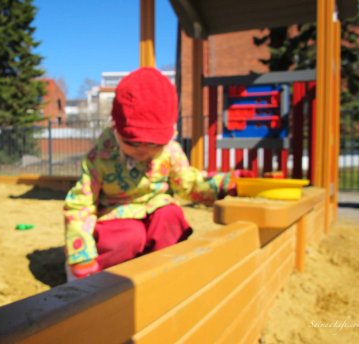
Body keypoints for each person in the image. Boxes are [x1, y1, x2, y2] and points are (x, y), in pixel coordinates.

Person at [63, 67, 248, 280]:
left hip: (155, 213)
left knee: (170, 214)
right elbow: (80, 205)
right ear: (116, 129)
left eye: (153, 144)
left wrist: (224, 183)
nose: (143, 151)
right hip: (118, 216)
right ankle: (112, 281)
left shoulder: (169, 152)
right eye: (133, 142)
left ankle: (165, 272)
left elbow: (188, 184)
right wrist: (81, 255)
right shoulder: (102, 155)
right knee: (130, 235)